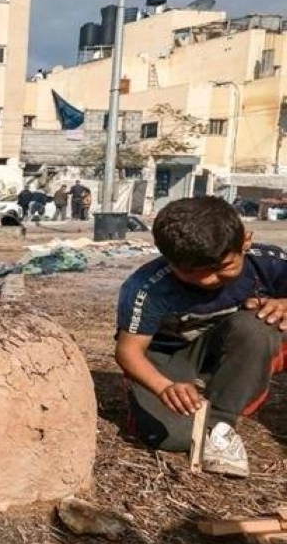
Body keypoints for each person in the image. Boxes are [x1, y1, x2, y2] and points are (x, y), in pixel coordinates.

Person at [114, 197, 287, 477]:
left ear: (245, 241)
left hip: (226, 344)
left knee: (259, 325)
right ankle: (165, 407)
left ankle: (221, 423)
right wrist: (163, 387)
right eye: (191, 272)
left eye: (222, 267)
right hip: (166, 355)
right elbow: (128, 352)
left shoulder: (268, 263)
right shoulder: (146, 288)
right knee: (174, 438)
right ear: (168, 259)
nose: (208, 280)